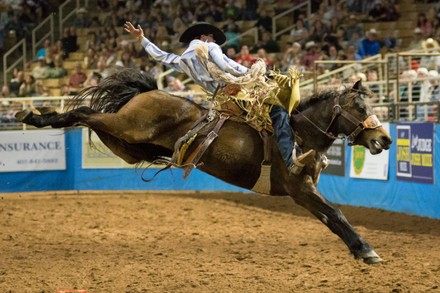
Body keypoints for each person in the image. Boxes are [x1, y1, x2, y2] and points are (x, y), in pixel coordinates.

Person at [124, 20, 314, 174]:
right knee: (279, 110)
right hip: (238, 92)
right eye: (212, 36)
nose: (214, 39)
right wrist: (257, 72)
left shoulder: (183, 60)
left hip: (221, 100)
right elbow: (228, 66)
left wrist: (142, 39)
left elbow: (162, 57)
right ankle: (290, 161)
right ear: (204, 37)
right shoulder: (210, 47)